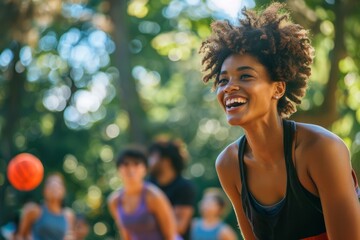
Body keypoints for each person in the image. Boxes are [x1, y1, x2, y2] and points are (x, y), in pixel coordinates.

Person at [199, 3, 360, 240]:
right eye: (223, 81)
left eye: (245, 76)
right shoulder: (229, 165)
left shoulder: (321, 149)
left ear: (278, 88)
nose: (229, 87)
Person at [107, 148, 179, 240]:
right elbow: (126, 235)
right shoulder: (115, 201)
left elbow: (171, 235)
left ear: (144, 169)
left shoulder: (154, 196)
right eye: (126, 164)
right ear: (119, 169)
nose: (131, 169)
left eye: (136, 164)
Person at [148, 140, 196, 240]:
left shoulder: (184, 187)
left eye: (153, 156)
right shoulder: (148, 185)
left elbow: (179, 227)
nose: (149, 161)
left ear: (166, 161)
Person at [16, 173, 75, 240]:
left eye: (58, 185)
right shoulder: (34, 210)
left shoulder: (69, 215)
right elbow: (20, 236)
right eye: (51, 185)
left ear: (64, 190)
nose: (54, 188)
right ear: (44, 190)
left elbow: (70, 235)